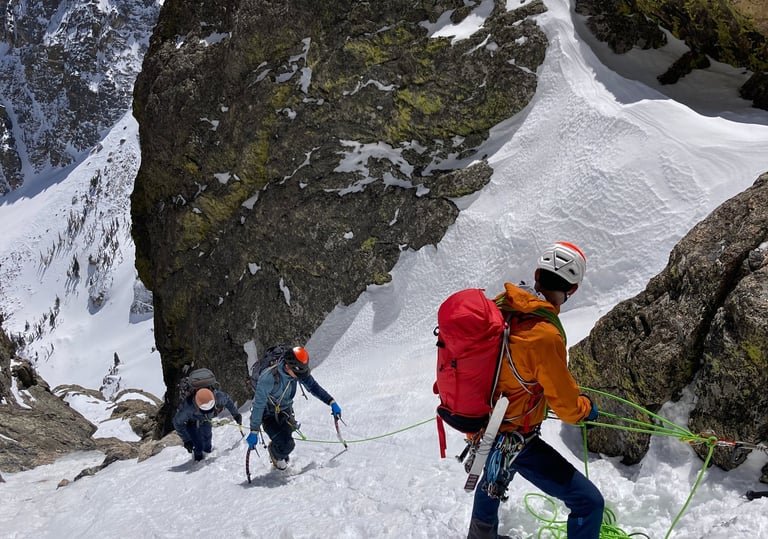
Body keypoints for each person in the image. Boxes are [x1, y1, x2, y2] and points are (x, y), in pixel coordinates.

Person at [467, 241, 603, 539]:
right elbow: (568, 408)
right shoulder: (544, 336)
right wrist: (586, 409)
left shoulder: (503, 305)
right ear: (572, 289)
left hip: (483, 423)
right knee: (589, 503)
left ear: (537, 274)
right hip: (515, 435)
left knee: (496, 472)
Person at [246, 345, 342, 470]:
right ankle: (275, 453)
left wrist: (331, 401)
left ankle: (278, 450)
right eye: (297, 374)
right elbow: (259, 405)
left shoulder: (297, 371)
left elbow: (313, 387)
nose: (300, 377)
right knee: (287, 445)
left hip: (285, 410)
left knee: (286, 439)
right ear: (287, 366)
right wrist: (254, 431)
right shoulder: (268, 378)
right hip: (267, 414)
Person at [173, 386, 242, 462]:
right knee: (198, 448)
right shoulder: (189, 407)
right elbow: (177, 422)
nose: (207, 411)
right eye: (205, 410)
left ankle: (206, 460)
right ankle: (197, 463)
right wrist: (186, 440)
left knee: (207, 445)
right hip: (193, 424)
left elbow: (227, 400)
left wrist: (236, 415)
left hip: (206, 421)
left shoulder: (217, 396)